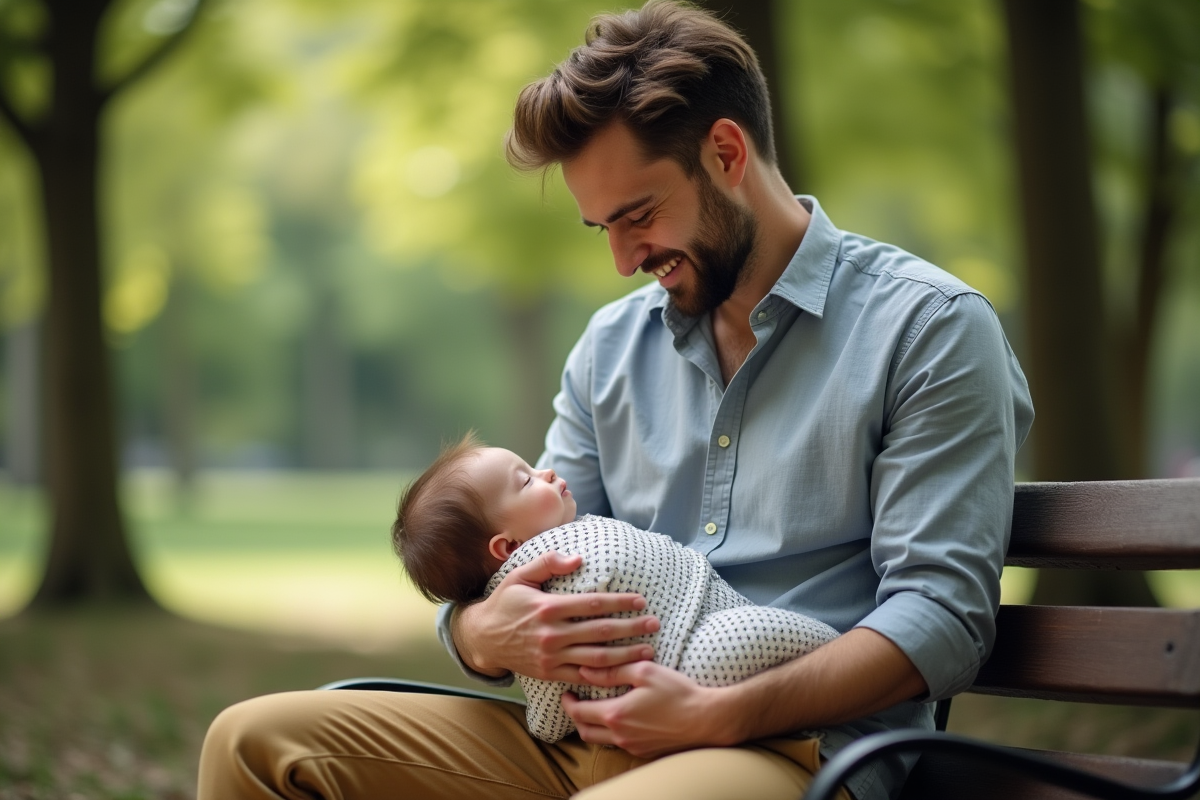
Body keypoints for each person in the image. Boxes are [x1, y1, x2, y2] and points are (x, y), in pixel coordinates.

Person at [197, 3, 1034, 798]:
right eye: (603, 228)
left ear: (726, 153)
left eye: (639, 215)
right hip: (578, 741)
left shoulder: (927, 330)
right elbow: (518, 556)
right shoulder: (610, 348)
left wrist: (718, 713)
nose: (625, 260)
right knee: (252, 743)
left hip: (790, 750)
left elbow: (943, 620)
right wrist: (478, 634)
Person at [392, 435, 840, 743]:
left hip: (717, 693)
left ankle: (840, 663)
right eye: (526, 479)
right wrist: (479, 631)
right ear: (508, 547)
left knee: (755, 637)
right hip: (671, 672)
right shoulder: (534, 593)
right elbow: (550, 702)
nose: (547, 471)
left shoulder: (559, 523)